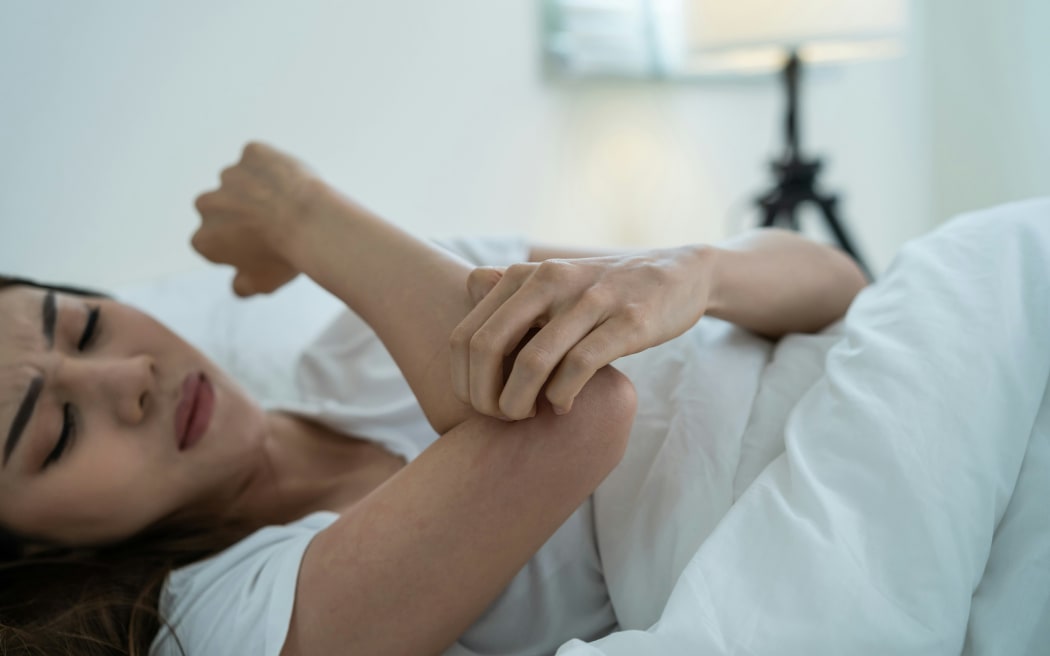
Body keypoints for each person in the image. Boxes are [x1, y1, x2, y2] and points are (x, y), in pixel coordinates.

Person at [0, 142, 867, 656]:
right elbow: (579, 415)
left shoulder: (357, 339)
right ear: (30, 551)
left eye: (79, 326)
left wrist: (692, 271)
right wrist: (303, 212)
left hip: (850, 379)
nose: (130, 379)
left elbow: (834, 280)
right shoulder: (223, 619)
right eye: (58, 431)